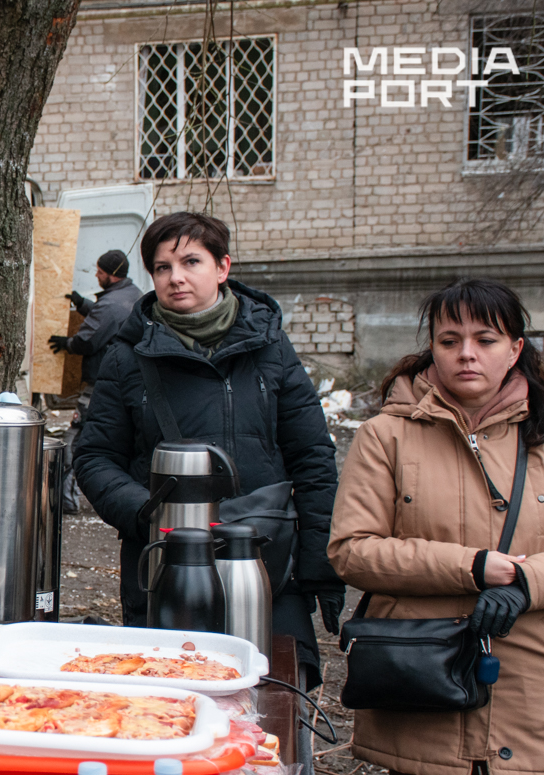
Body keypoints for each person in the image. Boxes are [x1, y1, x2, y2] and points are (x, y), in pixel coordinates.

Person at [329, 279, 544, 775]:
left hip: (535, 673)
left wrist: (525, 580)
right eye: (449, 340)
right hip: (421, 668)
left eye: (485, 339)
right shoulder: (386, 435)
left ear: (515, 348)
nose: (467, 353)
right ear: (431, 350)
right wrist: (472, 568)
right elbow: (352, 551)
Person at [73, 212, 343, 689]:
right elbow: (95, 457)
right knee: (173, 705)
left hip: (264, 568)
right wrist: (148, 515)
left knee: (272, 714)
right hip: (165, 569)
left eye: (190, 261)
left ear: (222, 267)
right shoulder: (127, 355)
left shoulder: (270, 346)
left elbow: (313, 458)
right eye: (161, 268)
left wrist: (320, 564)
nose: (175, 277)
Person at [48, 249, 142, 513]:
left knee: (76, 437)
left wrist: (66, 343)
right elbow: (109, 315)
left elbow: (87, 341)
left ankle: (67, 500)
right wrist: (82, 304)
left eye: (100, 272)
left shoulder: (110, 304)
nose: (97, 276)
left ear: (111, 275)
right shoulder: (132, 294)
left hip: (101, 383)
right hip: (126, 381)